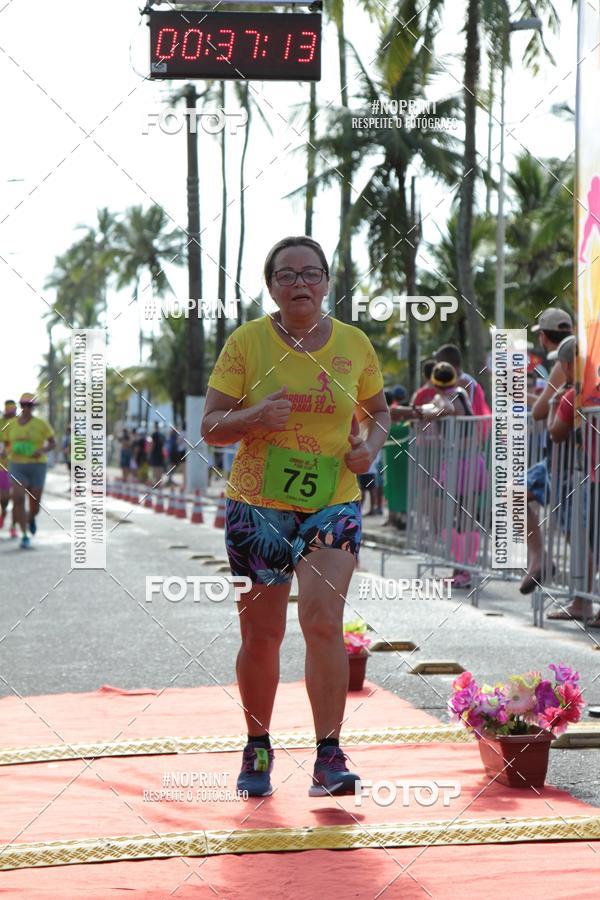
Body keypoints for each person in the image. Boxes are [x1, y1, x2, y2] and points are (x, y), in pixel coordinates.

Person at [201, 235, 390, 798]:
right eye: (287, 275)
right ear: (272, 287)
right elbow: (211, 425)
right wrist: (256, 415)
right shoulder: (247, 342)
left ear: (328, 282)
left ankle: (329, 755)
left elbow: (378, 411)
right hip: (258, 507)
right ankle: (257, 744)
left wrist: (370, 450)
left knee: (323, 621)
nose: (300, 283)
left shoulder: (355, 344)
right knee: (263, 633)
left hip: (332, 500)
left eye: (311, 273)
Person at [541, 335, 600, 625]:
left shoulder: (574, 394)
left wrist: (553, 403)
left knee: (590, 541)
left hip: (593, 477)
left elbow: (555, 432)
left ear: (566, 365)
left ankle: (582, 603)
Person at [520, 308, 573, 593]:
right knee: (515, 493)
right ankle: (539, 560)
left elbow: (541, 410)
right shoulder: (576, 355)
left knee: (574, 529)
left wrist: (530, 398)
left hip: (565, 458)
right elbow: (545, 402)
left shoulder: (561, 361)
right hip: (559, 456)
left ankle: (581, 598)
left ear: (542, 337)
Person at [3, 393, 55, 549]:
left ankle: (31, 518)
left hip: (37, 466)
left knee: (35, 505)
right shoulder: (11, 424)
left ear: (33, 407)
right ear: (20, 406)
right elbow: (5, 443)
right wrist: (10, 450)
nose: (26, 408)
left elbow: (53, 443)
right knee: (18, 499)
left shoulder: (41, 424)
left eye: (29, 405)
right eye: (23, 405)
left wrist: (43, 450)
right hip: (17, 465)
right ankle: (24, 535)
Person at [0, 400, 18, 537]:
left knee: (18, 498)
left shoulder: (20, 424)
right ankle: (3, 516)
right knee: (5, 498)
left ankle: (13, 526)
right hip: (3, 467)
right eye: (8, 413)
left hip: (19, 465)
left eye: (13, 413)